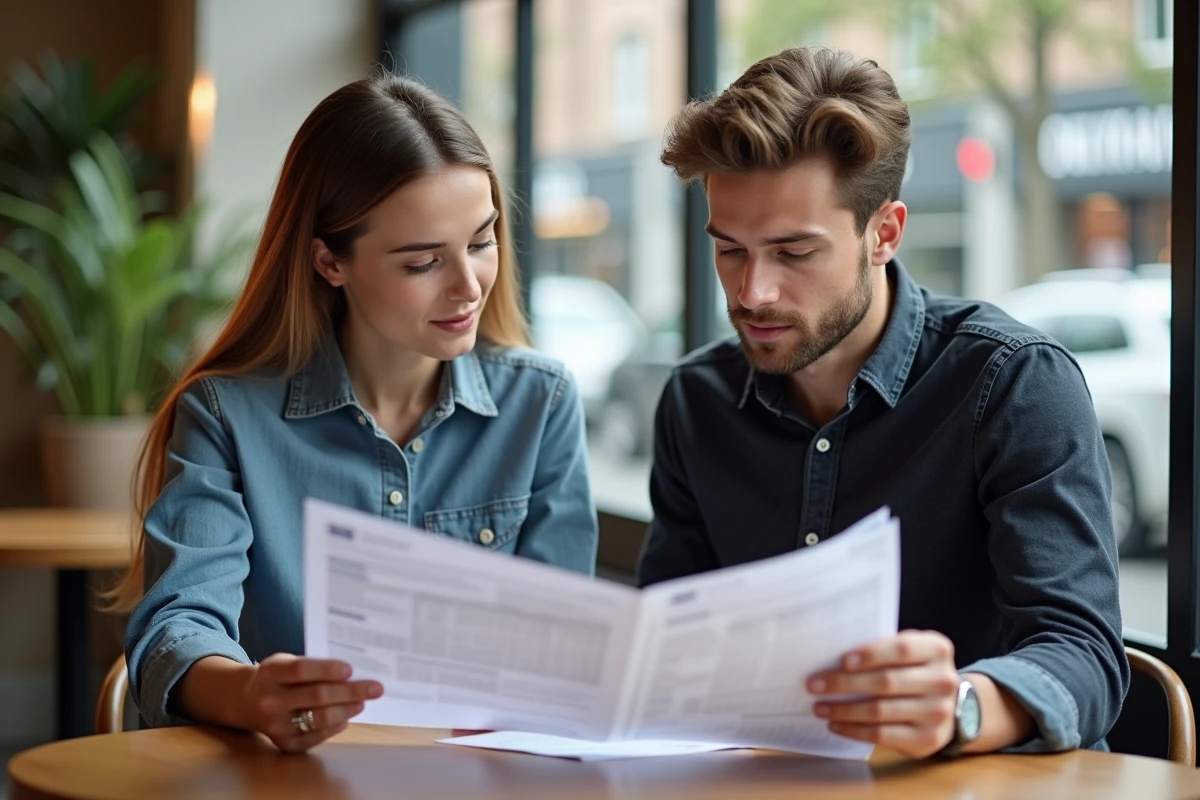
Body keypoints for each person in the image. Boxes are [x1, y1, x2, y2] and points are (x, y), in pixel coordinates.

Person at [638, 47, 1127, 758]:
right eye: (730, 251)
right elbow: (670, 638)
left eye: (793, 252)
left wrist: (958, 706)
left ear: (884, 234)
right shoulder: (696, 400)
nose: (752, 293)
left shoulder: (1014, 383)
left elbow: (1083, 651)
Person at [112, 73, 598, 753]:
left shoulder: (540, 405)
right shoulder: (224, 415)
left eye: (482, 241)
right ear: (329, 262)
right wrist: (250, 694)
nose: (468, 286)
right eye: (423, 262)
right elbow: (177, 628)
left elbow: (565, 647)